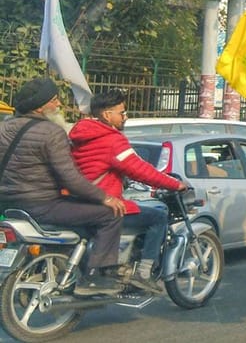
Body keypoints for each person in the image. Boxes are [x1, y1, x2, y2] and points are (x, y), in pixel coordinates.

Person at [0, 78, 126, 296]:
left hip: (7, 205)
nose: (59, 105)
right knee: (110, 214)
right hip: (42, 205)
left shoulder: (3, 127)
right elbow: (70, 178)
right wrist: (104, 197)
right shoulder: (51, 132)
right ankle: (96, 278)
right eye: (55, 100)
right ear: (41, 106)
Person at [69, 90, 186, 291]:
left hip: (79, 203)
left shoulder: (80, 135)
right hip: (104, 204)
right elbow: (140, 169)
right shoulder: (112, 140)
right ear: (107, 115)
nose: (126, 117)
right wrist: (175, 184)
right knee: (158, 216)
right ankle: (144, 273)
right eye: (122, 113)